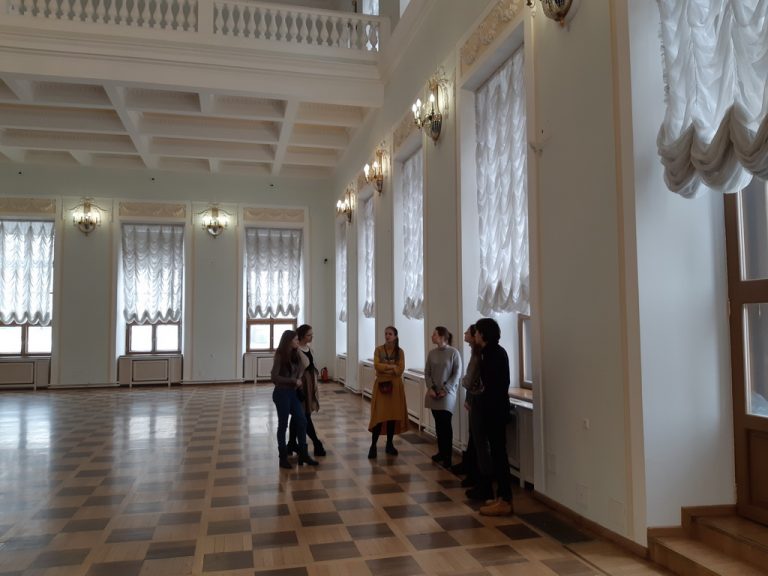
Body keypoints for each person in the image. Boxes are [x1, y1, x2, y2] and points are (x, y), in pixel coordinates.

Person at [469, 317, 513, 516]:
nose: (475, 335)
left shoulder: (494, 354)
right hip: (492, 411)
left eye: (477, 332)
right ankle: (500, 497)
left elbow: (493, 387)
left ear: (483, 334)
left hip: (495, 412)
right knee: (496, 454)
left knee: (499, 455)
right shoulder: (489, 353)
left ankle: (505, 500)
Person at [271, 329, 319, 469]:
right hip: (281, 394)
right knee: (283, 425)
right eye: (296, 340)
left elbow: (304, 367)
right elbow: (274, 377)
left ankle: (303, 454)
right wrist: (293, 381)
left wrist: (299, 381)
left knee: (302, 420)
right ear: (289, 341)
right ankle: (283, 457)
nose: (298, 341)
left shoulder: (296, 354)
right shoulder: (280, 355)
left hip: (293, 393)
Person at [368, 326, 409, 458]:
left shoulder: (400, 352)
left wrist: (386, 368)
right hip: (381, 386)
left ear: (395, 336)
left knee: (392, 416)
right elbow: (377, 366)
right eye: (386, 333)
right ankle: (373, 445)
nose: (387, 336)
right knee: (379, 416)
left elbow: (400, 369)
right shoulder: (379, 350)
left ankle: (389, 444)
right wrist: (391, 366)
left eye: (390, 334)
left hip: (395, 387)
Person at [286, 324, 326, 458]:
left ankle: (291, 444)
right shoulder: (295, 350)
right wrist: (298, 386)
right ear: (302, 336)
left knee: (298, 416)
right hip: (301, 385)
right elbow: (293, 370)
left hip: (310, 384)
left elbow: (312, 367)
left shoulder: (309, 349)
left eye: (312, 334)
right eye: (309, 335)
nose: (312, 337)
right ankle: (316, 443)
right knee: (304, 416)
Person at [424, 326, 462, 468]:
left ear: (442, 337)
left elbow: (457, 373)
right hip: (433, 393)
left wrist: (446, 389)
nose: (432, 336)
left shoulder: (454, 353)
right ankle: (441, 452)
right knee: (438, 424)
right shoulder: (432, 353)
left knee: (446, 424)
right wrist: (431, 388)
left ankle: (448, 456)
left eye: (434, 334)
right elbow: (427, 372)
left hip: (447, 394)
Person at [454, 324, 482, 487]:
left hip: (479, 402)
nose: (464, 333)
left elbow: (470, 380)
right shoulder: (475, 352)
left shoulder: (479, 354)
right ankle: (469, 466)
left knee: (476, 436)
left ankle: (474, 471)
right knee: (472, 434)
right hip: (474, 399)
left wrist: (466, 386)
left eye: (468, 332)